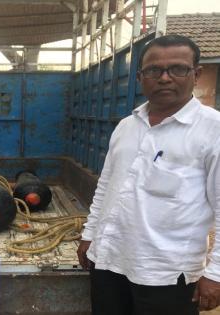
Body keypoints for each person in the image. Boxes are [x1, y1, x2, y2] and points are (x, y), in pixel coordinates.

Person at [77, 34, 220, 315]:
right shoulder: (127, 126)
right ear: (140, 77)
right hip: (108, 262)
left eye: (177, 69)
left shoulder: (212, 130)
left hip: (165, 275)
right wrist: (90, 234)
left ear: (196, 74)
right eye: (154, 70)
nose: (165, 78)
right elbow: (106, 188)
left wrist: (216, 273)